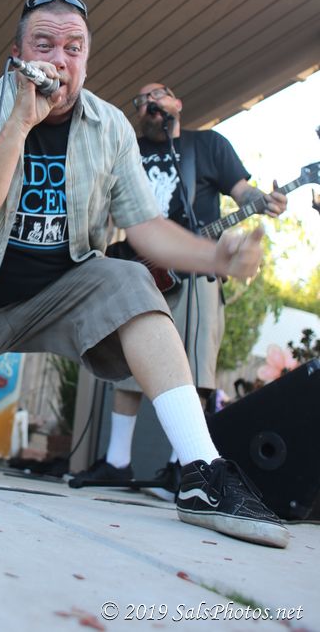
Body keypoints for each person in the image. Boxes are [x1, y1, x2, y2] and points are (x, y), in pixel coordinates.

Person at [0, 0, 287, 548]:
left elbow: (145, 227)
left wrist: (215, 257)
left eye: (73, 48)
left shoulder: (109, 127)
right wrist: (19, 122)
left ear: (86, 60)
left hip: (60, 293)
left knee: (129, 279)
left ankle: (203, 473)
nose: (59, 59)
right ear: (16, 55)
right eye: (44, 45)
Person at [69, 82, 287, 497]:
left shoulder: (208, 146)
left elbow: (243, 191)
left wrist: (266, 200)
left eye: (158, 95)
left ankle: (183, 466)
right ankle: (117, 462)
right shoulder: (127, 149)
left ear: (177, 104)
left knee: (196, 366)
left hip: (196, 273)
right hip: (138, 269)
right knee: (130, 363)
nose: (149, 102)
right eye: (141, 100)